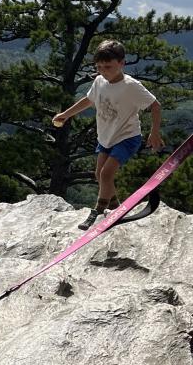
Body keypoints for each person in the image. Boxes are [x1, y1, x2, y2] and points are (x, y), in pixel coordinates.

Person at [52, 40, 162, 230]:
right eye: (99, 66)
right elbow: (88, 100)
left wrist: (154, 132)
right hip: (106, 137)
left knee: (106, 173)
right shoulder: (99, 81)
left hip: (127, 137)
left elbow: (155, 105)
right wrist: (65, 114)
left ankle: (96, 211)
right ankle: (116, 208)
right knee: (99, 175)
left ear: (122, 63)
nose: (104, 70)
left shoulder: (131, 85)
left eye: (108, 66)